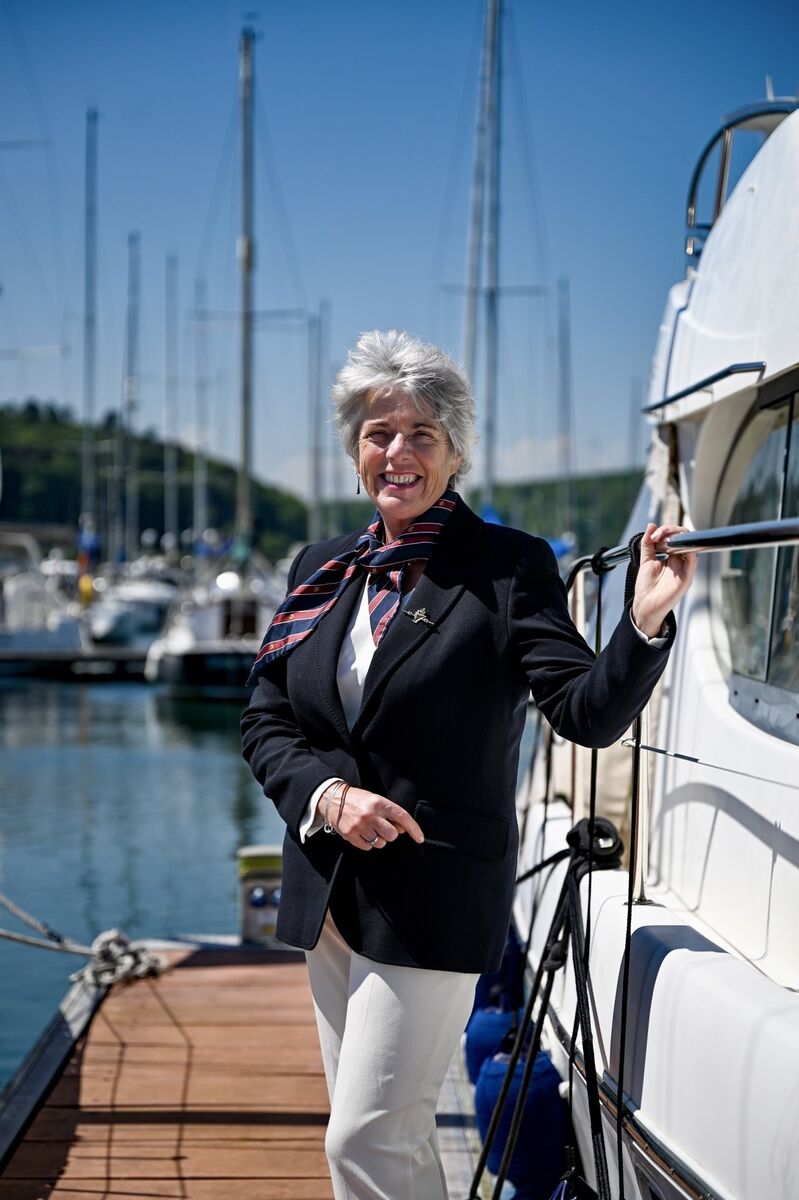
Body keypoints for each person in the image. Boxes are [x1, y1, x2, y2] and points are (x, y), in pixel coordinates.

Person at [241, 329, 696, 1200]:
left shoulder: (505, 567)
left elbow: (583, 712)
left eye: (421, 434)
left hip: (433, 897)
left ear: (455, 450)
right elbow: (266, 719)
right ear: (355, 450)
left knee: (362, 1142)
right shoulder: (319, 569)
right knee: (393, 1140)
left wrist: (639, 624)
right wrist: (328, 796)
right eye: (379, 433)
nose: (398, 452)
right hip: (327, 892)